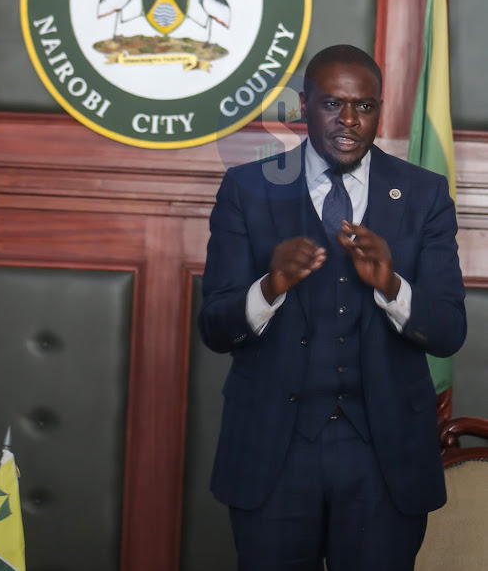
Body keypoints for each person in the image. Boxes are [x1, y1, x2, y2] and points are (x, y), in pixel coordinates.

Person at [198, 44, 466, 571]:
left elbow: (449, 331)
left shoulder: (424, 195)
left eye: (364, 106)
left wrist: (392, 285)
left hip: (383, 455)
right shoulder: (247, 190)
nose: (349, 120)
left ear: (379, 110)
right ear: (304, 105)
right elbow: (214, 326)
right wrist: (269, 286)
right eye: (332, 104)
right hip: (275, 452)